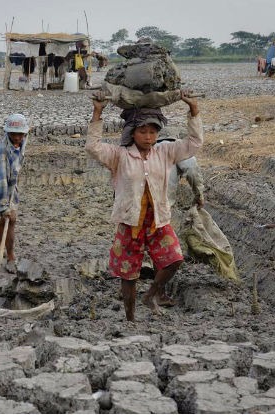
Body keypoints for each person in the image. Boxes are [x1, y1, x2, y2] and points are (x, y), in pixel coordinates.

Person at [86, 90, 203, 322]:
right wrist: (97, 112)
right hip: (131, 223)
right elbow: (93, 147)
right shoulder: (120, 156)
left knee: (175, 259)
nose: (148, 137)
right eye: (143, 131)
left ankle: (151, 294)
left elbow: (194, 143)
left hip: (158, 221)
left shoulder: (165, 151)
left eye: (152, 132)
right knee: (129, 275)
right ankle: (130, 317)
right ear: (132, 133)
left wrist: (193, 109)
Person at [0, 114, 29, 274]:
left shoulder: (21, 140)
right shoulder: (2, 151)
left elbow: (23, 141)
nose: (18, 137)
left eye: (21, 134)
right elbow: (2, 180)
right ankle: (11, 257)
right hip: (0, 187)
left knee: (5, 220)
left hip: (12, 185)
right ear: (8, 133)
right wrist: (5, 207)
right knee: (10, 219)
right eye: (14, 134)